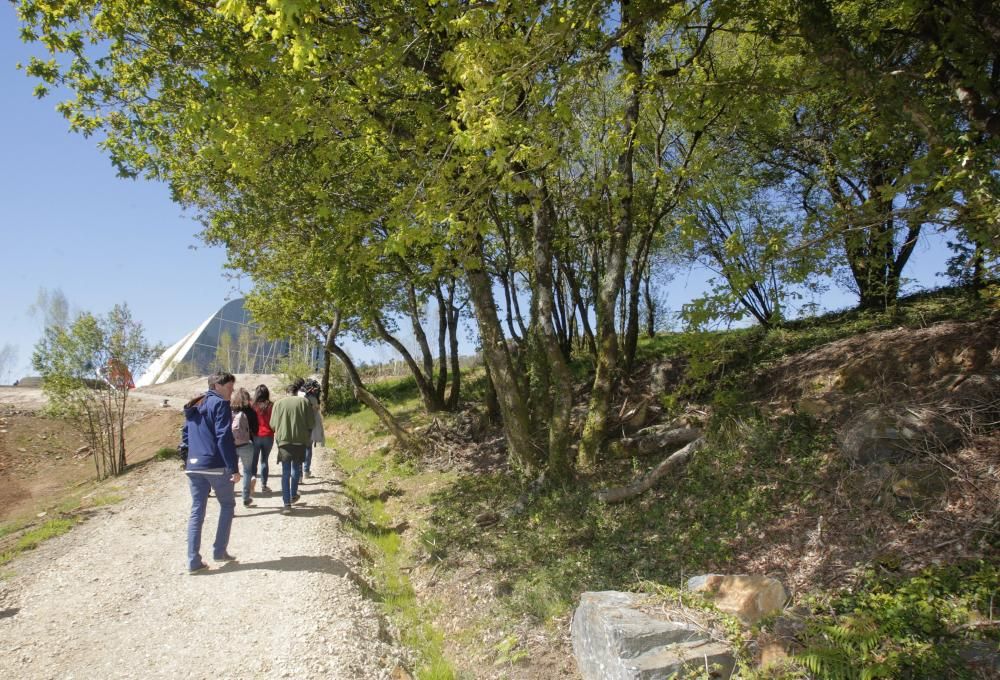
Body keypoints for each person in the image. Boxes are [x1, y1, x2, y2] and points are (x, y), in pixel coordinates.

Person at [182, 372, 240, 573]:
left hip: (193, 465)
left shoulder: (194, 404)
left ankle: (193, 561)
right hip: (215, 464)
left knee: (197, 511)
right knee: (227, 504)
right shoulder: (220, 404)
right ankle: (219, 550)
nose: (232, 392)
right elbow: (224, 437)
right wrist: (233, 468)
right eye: (229, 388)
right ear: (217, 385)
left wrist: (188, 460)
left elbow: (186, 435)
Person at [270, 381, 314, 514]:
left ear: (286, 392)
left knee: (285, 472)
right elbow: (311, 423)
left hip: (284, 442)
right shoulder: (304, 402)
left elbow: (272, 424)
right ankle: (294, 494)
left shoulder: (278, 403)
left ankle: (286, 503)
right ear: (296, 392)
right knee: (296, 468)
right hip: (300, 441)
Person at [231, 387, 259, 507]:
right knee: (247, 471)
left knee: (231, 471)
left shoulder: (229, 410)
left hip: (230, 445)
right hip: (246, 445)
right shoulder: (251, 412)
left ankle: (229, 497)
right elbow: (256, 429)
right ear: (247, 399)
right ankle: (246, 497)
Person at [298, 378, 325, 478]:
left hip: (300, 426)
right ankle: (306, 471)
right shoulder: (314, 399)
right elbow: (317, 412)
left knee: (300, 449)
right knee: (308, 449)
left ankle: (299, 474)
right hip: (310, 426)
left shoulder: (300, 398)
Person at [251, 385, 275, 493]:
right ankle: (264, 485)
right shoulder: (271, 405)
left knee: (254, 460)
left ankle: (252, 479)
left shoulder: (252, 405)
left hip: (255, 436)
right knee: (264, 461)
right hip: (268, 436)